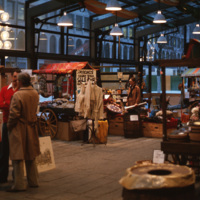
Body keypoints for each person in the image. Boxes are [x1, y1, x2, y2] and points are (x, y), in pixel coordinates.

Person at [7, 73, 40, 192]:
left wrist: (9, 126)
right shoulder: (35, 93)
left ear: (21, 82)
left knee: (18, 157)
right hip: (31, 127)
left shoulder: (18, 95)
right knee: (31, 156)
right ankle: (34, 181)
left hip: (19, 128)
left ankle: (19, 184)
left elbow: (14, 114)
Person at [0, 70, 20, 184]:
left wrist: (6, 104)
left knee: (16, 152)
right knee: (4, 151)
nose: (15, 79)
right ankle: (2, 176)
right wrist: (10, 104)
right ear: (11, 76)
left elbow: (19, 108)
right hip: (6, 123)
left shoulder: (20, 91)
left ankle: (16, 176)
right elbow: (0, 104)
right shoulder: (4, 89)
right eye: (14, 76)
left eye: (17, 77)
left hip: (17, 124)